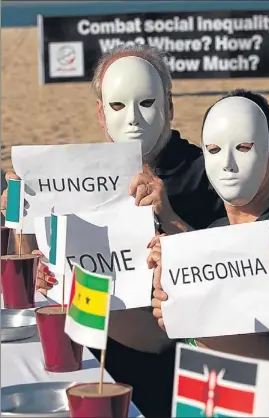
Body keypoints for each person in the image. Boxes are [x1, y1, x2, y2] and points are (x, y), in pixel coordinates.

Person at [0, 44, 226, 417]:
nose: (134, 120)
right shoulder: (81, 174)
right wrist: (23, 217)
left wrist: (169, 217)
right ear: (101, 113)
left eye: (147, 103)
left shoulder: (208, 176)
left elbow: (222, 283)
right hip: (92, 362)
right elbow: (49, 272)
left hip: (174, 380)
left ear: (169, 106)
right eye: (118, 106)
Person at [149, 89, 269, 417]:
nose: (228, 163)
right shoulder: (218, 227)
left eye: (244, 147)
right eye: (214, 149)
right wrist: (173, 259)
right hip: (211, 400)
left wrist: (193, 319)